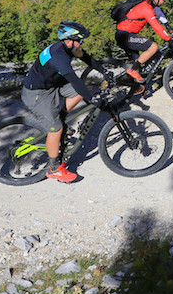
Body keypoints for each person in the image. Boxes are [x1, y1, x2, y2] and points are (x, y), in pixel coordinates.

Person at [22, 20, 111, 183]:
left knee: (79, 93)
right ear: (69, 40)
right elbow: (74, 80)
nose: (82, 44)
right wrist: (91, 99)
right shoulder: (58, 56)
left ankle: (61, 120)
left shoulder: (68, 47)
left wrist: (104, 71)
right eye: (80, 40)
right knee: (56, 128)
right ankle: (54, 169)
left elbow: (86, 58)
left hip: (52, 84)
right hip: (36, 94)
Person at [114, 0, 173, 87]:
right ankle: (133, 70)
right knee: (153, 47)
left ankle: (136, 87)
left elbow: (158, 13)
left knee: (141, 62)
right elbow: (156, 25)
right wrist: (168, 39)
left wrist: (167, 25)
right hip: (124, 36)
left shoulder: (149, 5)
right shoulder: (146, 8)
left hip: (127, 35)